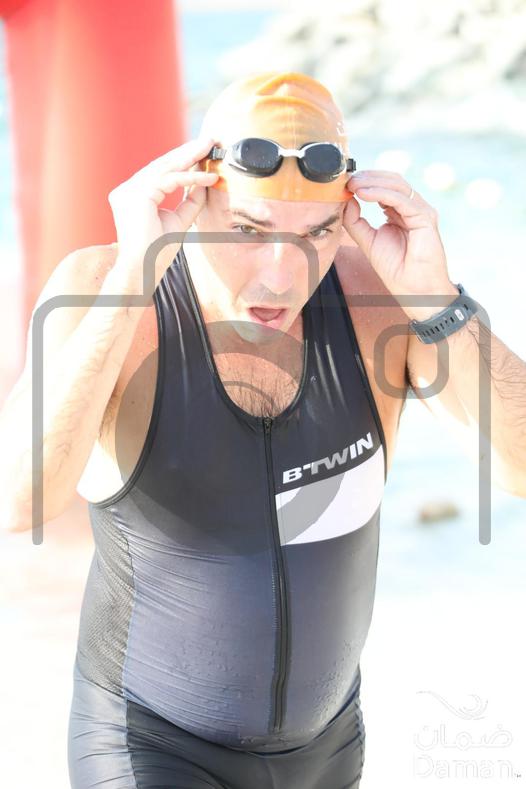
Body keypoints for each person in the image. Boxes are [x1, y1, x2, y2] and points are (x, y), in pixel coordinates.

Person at [1, 71, 524, 789]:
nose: (282, 275)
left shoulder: (379, 301)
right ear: (196, 193)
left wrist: (437, 298)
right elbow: (18, 501)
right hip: (149, 747)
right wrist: (132, 274)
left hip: (329, 750)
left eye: (315, 232)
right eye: (248, 231)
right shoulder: (105, 289)